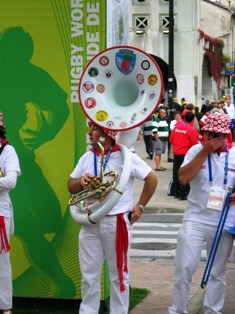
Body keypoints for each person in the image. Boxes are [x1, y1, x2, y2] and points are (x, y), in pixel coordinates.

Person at [68, 122, 158, 314]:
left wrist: (140, 206)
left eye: (94, 129)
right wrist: (81, 181)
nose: (89, 133)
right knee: (88, 275)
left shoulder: (127, 157)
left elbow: (152, 178)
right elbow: (70, 186)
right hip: (90, 221)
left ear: (106, 134)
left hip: (116, 222)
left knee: (119, 275)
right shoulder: (87, 156)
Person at [168, 113, 235, 314]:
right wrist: (203, 152)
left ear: (226, 135)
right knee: (184, 268)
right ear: (204, 134)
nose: (213, 138)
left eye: (218, 135)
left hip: (225, 221)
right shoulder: (195, 151)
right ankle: (177, 310)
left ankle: (213, 310)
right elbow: (183, 179)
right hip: (195, 218)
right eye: (210, 134)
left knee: (217, 272)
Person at [0, 113, 21, 314]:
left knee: (1, 263)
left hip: (0, 213)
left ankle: (5, 307)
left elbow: (10, 182)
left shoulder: (7, 150)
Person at [169, 112, 199, 200]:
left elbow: (171, 140)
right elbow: (194, 145)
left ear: (184, 118)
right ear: (193, 120)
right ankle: (183, 194)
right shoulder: (191, 129)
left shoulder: (177, 127)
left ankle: (176, 192)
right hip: (185, 154)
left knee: (176, 174)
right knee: (185, 174)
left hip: (176, 153)